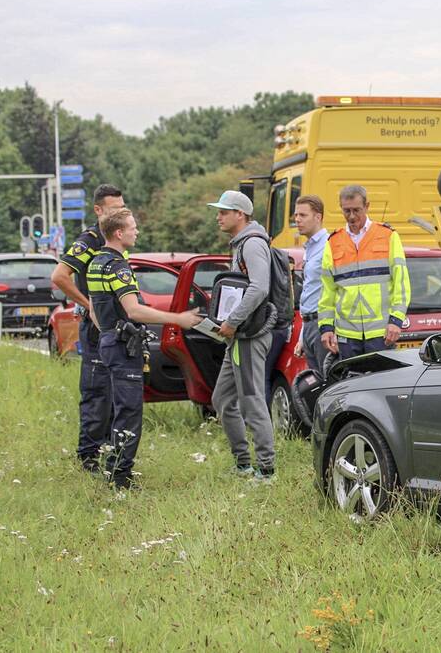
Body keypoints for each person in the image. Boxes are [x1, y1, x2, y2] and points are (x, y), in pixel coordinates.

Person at [87, 208, 201, 489]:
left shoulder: (96, 262)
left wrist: (107, 332)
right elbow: (134, 310)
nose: (136, 231)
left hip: (108, 341)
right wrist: (179, 319)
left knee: (117, 409)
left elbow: (92, 308)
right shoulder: (117, 266)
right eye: (133, 227)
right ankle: (120, 477)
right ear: (119, 233)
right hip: (123, 346)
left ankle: (114, 470)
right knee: (129, 412)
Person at [50, 184, 126, 472]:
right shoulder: (90, 240)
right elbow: (60, 276)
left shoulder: (116, 240)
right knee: (96, 393)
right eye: (114, 208)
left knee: (113, 393)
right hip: (95, 327)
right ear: (98, 210)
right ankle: (88, 458)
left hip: (113, 325)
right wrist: (88, 305)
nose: (120, 212)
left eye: (123, 207)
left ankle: (109, 452)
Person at [207, 190, 278, 481]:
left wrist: (233, 322)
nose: (218, 217)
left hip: (249, 336)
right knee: (222, 399)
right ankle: (242, 464)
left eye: (224, 212)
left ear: (240, 214)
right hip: (239, 336)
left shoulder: (252, 244)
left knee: (252, 400)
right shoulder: (241, 244)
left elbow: (259, 287)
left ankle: (266, 469)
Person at [319, 185, 411, 360]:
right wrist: (326, 328)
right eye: (346, 211)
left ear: (367, 206)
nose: (352, 216)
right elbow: (327, 291)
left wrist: (396, 320)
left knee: (381, 386)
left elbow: (401, 283)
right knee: (351, 386)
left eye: (356, 210)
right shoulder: (333, 242)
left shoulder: (388, 236)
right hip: (347, 335)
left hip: (382, 332)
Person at [292, 194, 329, 378]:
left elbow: (335, 290)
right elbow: (309, 290)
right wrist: (302, 336)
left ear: (318, 217)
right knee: (317, 384)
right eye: (296, 215)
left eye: (302, 215)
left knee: (328, 382)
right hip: (309, 325)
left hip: (323, 324)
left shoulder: (328, 246)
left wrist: (331, 329)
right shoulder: (310, 248)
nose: (297, 219)